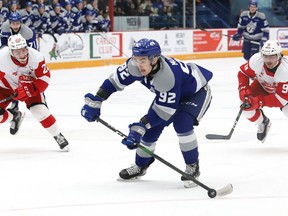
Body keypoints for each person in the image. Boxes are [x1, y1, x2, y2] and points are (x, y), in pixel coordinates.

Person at [81, 38, 213, 187]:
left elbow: (164, 112)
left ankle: (193, 166)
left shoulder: (167, 77)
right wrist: (97, 100)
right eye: (136, 59)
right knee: (150, 131)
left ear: (154, 59)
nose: (139, 64)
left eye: (143, 60)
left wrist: (140, 127)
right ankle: (141, 166)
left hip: (195, 93)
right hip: (169, 95)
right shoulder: (134, 66)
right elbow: (113, 82)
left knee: (182, 123)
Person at [0, 34, 69, 151]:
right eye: (17, 52)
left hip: (29, 87)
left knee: (39, 111)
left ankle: (57, 135)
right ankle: (14, 117)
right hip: (5, 88)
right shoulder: (2, 59)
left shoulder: (36, 57)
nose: (22, 55)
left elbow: (45, 78)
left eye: (23, 50)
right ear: (11, 52)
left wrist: (30, 90)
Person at [237, 40, 288, 143]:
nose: (268, 60)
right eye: (265, 56)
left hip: (284, 97)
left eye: (272, 57)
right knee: (245, 106)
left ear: (279, 56)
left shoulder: (285, 71)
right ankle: (263, 122)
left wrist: (258, 102)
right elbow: (243, 73)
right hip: (262, 87)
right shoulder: (256, 60)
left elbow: (281, 100)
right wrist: (244, 91)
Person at [1, 11, 38, 125]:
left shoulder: (27, 33)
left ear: (21, 23)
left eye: (17, 23)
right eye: (13, 23)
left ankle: (40, 101)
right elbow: (3, 46)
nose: (15, 25)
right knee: (10, 81)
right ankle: (14, 103)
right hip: (11, 58)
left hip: (25, 59)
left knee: (32, 82)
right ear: (10, 23)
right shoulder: (5, 28)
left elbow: (34, 50)